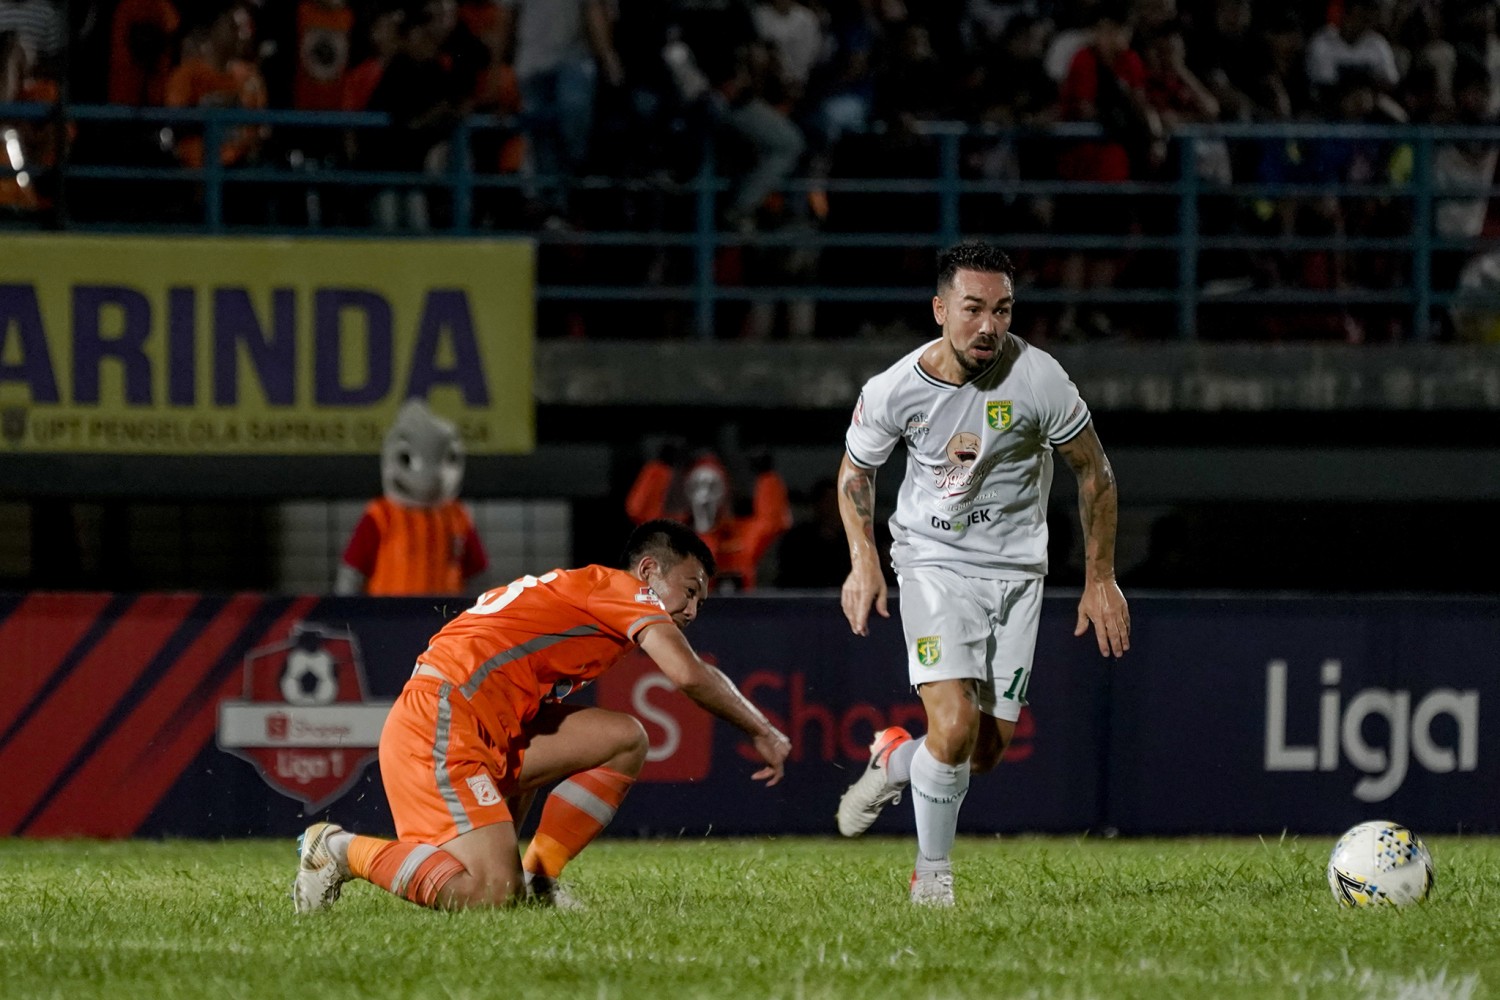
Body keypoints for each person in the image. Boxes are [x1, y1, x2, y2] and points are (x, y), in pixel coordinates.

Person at [832, 241, 1130, 906]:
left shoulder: (1040, 378)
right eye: (973, 309)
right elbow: (857, 470)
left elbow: (1093, 470)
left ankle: (894, 760)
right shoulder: (894, 388)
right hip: (933, 565)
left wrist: (1100, 578)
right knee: (956, 724)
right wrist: (864, 562)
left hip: (1019, 575)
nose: (989, 325)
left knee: (982, 752)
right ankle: (932, 876)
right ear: (941, 309)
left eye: (1002, 309)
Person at [293, 518, 791, 912]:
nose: (693, 609)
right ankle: (337, 849)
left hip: (473, 721)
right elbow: (687, 674)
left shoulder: (586, 599)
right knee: (489, 894)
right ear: (647, 573)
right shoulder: (624, 592)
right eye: (691, 589)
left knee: (624, 737)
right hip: (443, 722)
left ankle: (539, 879)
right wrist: (761, 728)